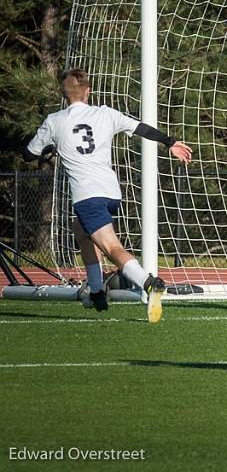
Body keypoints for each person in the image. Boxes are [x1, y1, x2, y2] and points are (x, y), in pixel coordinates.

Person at [23, 68, 192, 323]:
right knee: (80, 230)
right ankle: (98, 291)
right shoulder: (105, 113)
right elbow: (141, 129)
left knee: (111, 247)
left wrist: (48, 148)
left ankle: (149, 283)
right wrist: (170, 142)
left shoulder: (54, 121)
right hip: (111, 191)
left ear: (63, 94)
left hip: (86, 195)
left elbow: (28, 153)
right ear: (88, 91)